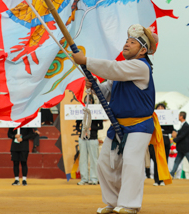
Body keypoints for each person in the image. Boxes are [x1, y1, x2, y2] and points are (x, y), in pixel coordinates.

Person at [72, 24, 170, 214]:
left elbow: (113, 68)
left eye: (132, 42)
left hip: (139, 125)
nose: (126, 44)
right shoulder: (123, 70)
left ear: (143, 50)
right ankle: (113, 202)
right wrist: (95, 86)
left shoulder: (141, 66)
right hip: (118, 125)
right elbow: (108, 91)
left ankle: (130, 204)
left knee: (132, 162)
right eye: (126, 41)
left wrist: (86, 60)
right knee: (105, 163)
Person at [76, 95, 104, 186]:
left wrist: (92, 128)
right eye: (86, 100)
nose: (88, 101)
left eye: (90, 100)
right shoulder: (81, 111)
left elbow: (101, 126)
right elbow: (77, 125)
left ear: (92, 101)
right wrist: (82, 130)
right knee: (83, 159)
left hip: (93, 138)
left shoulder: (97, 112)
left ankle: (94, 178)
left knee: (94, 159)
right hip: (83, 138)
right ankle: (84, 179)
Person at [170, 112, 189, 178]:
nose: (178, 117)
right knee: (177, 161)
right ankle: (172, 173)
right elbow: (181, 134)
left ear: (181, 116)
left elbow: (182, 135)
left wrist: (174, 139)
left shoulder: (186, 125)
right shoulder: (183, 125)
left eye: (179, 116)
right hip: (182, 148)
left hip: (185, 148)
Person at [150, 103, 173, 186]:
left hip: (165, 140)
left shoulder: (168, 117)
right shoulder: (153, 117)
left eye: (162, 107)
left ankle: (163, 180)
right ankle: (156, 180)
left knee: (164, 160)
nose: (160, 109)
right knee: (156, 160)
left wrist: (163, 130)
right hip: (156, 140)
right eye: (158, 107)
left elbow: (171, 129)